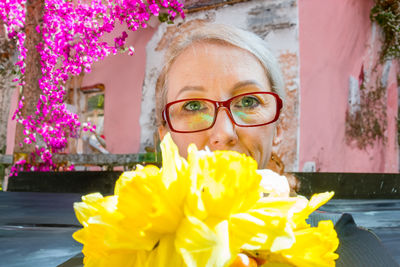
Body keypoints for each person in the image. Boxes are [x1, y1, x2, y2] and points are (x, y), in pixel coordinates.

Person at [155, 23, 399, 267]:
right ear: (165, 137)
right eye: (193, 106)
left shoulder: (342, 247)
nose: (224, 132)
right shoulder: (129, 247)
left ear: (278, 129)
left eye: (249, 101)